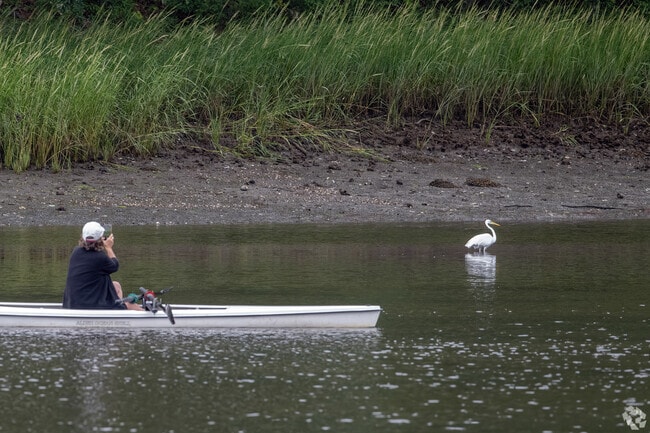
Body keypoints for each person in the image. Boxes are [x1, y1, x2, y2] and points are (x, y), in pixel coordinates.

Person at [63, 222, 141, 310]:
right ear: (100, 238)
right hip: (89, 305)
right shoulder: (100, 257)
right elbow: (115, 265)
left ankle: (117, 313)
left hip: (72, 302)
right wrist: (108, 248)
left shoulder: (76, 251)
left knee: (116, 286)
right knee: (132, 306)